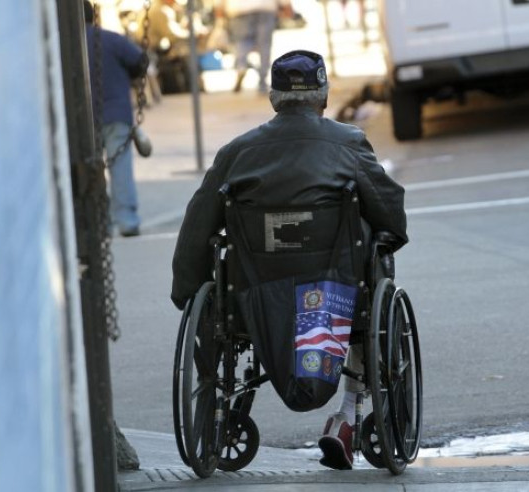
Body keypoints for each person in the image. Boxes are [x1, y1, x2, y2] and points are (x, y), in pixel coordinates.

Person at [171, 50, 408, 470]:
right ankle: (351, 409)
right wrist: (390, 236)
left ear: (273, 97)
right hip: (336, 289)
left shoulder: (236, 152)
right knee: (374, 253)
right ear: (323, 96)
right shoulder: (348, 143)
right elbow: (389, 207)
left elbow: (196, 226)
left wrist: (188, 291)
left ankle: (229, 412)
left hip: (255, 295)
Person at [84, 0, 148, 237]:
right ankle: (127, 220)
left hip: (83, 119)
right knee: (120, 167)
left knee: (91, 169)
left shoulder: (66, 47)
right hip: (116, 112)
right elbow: (140, 60)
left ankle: (99, 223)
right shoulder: (110, 39)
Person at [214, 0, 293, 93]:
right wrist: (287, 5)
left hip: (239, 9)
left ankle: (241, 67)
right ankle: (263, 80)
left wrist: (219, 8)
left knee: (242, 43)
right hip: (265, 8)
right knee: (264, 45)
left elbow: (219, 4)